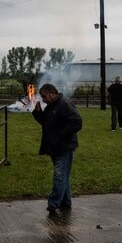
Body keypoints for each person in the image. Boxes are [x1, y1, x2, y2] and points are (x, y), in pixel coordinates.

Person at [32, 83, 82, 214]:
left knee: (59, 176)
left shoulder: (64, 104)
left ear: (52, 93)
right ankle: (65, 202)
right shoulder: (51, 106)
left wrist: (61, 135)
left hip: (64, 147)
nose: (43, 99)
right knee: (63, 175)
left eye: (44, 96)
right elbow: (46, 122)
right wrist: (38, 112)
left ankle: (53, 203)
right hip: (55, 146)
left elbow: (76, 122)